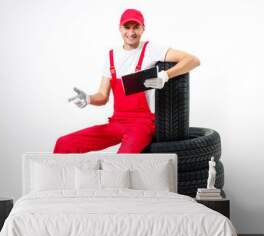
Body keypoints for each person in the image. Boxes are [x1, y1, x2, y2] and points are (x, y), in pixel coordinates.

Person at [53, 8, 200, 154]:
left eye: (136, 27)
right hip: (117, 123)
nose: (131, 32)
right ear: (119, 29)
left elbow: (193, 60)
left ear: (143, 28)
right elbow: (103, 96)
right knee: (64, 143)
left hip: (143, 124)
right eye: (127, 27)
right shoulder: (111, 56)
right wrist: (89, 98)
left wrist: (165, 75)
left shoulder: (151, 49)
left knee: (120, 161)